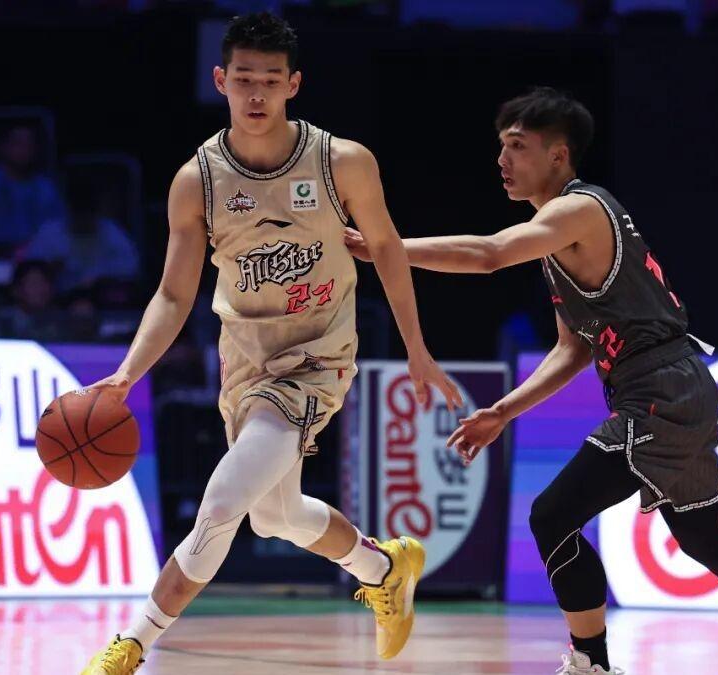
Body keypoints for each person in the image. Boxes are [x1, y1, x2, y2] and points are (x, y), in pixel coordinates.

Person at [346, 87, 718, 675]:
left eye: (517, 146)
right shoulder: (557, 232)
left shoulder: (577, 209)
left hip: (660, 392)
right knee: (701, 536)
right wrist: (502, 412)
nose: (502, 160)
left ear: (558, 155)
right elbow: (572, 349)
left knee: (552, 515)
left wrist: (385, 249)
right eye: (501, 147)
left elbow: (489, 254)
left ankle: (591, 663)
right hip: (675, 386)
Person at [81, 13, 462, 674]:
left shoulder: (342, 162)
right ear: (220, 80)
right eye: (244, 79)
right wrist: (126, 373)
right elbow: (173, 294)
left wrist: (416, 349)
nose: (256, 93)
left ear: (293, 85)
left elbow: (389, 252)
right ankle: (384, 566)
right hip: (245, 362)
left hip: (316, 357)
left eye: (270, 80)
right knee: (276, 516)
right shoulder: (197, 180)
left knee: (222, 505)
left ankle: (130, 646)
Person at [22, 174, 140, 293]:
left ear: (97, 211)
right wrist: (49, 269)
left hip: (102, 299)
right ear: (69, 208)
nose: (83, 219)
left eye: (88, 213)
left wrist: (101, 279)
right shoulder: (49, 233)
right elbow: (29, 269)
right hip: (58, 299)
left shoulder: (113, 233)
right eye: (79, 212)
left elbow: (131, 267)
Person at [0, 125, 64, 254]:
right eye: (18, 144)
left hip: (39, 258)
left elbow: (59, 229)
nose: (23, 150)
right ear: (4, 147)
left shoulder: (46, 188)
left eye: (29, 145)